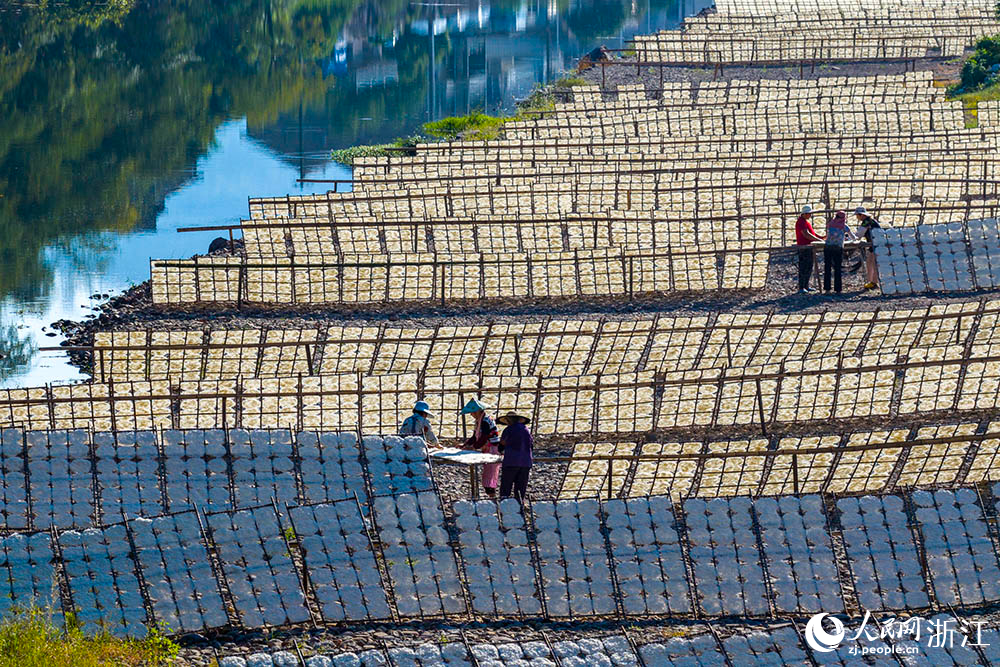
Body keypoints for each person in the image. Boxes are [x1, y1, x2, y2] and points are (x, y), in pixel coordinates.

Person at [460, 397, 501, 497]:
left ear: (478, 411)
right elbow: (475, 436)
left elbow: (484, 437)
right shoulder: (480, 421)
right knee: (488, 472)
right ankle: (490, 494)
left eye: (473, 412)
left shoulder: (485, 421)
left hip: (492, 449)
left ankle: (492, 495)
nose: (471, 414)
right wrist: (465, 445)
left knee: (490, 472)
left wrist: (474, 447)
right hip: (487, 448)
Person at [497, 411, 533, 503]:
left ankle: (504, 506)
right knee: (520, 489)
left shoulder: (508, 430)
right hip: (526, 462)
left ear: (508, 421)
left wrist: (500, 450)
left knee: (506, 487)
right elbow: (531, 445)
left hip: (511, 461)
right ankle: (520, 507)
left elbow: (502, 444)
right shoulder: (526, 430)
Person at [824, 210, 857, 294]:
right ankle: (838, 289)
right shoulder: (844, 226)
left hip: (827, 247)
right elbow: (853, 237)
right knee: (837, 268)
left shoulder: (830, 224)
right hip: (837, 248)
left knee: (827, 267)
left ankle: (827, 288)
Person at [795, 205, 824, 293]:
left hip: (808, 246)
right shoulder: (801, 222)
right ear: (804, 214)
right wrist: (819, 240)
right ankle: (801, 287)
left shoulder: (805, 222)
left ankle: (806, 285)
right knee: (803, 267)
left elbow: (812, 234)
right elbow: (806, 234)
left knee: (809, 266)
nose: (810, 215)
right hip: (804, 247)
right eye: (809, 214)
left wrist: (821, 238)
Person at [854, 206, 881, 290]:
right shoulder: (871, 221)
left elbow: (859, 234)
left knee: (872, 262)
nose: (857, 217)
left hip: (875, 243)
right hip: (875, 242)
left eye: (857, 215)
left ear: (861, 215)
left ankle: (874, 282)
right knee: (870, 261)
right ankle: (871, 281)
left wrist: (850, 237)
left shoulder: (866, 222)